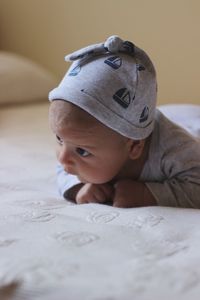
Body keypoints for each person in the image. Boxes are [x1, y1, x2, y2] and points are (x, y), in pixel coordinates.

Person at [48, 35, 200, 208]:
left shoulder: (174, 150)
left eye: (82, 151)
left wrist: (147, 194)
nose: (62, 158)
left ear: (134, 146)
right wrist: (78, 188)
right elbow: (64, 170)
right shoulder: (74, 147)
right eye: (59, 139)